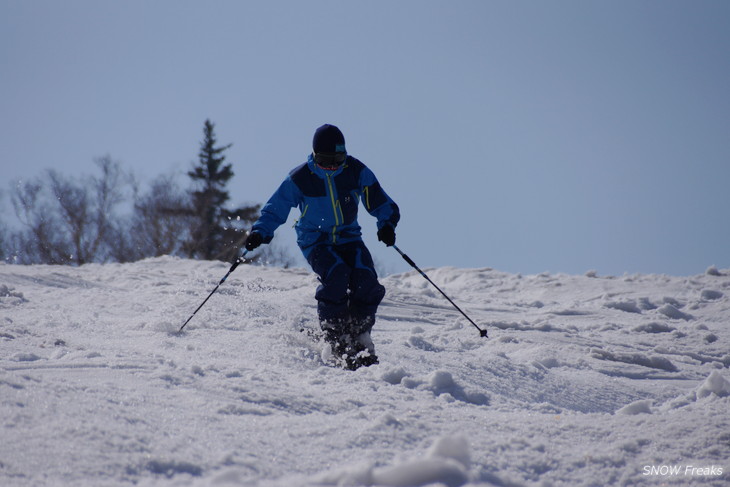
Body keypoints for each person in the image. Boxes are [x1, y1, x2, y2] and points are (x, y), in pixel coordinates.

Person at [242, 124, 399, 370]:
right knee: (337, 275)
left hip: (349, 237)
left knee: (366, 280)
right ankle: (336, 337)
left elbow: (380, 201)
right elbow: (276, 207)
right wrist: (260, 232)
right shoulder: (301, 177)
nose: (332, 165)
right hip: (315, 240)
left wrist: (386, 224)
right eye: (326, 160)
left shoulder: (355, 171)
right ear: (315, 155)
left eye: (337, 159)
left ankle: (359, 334)